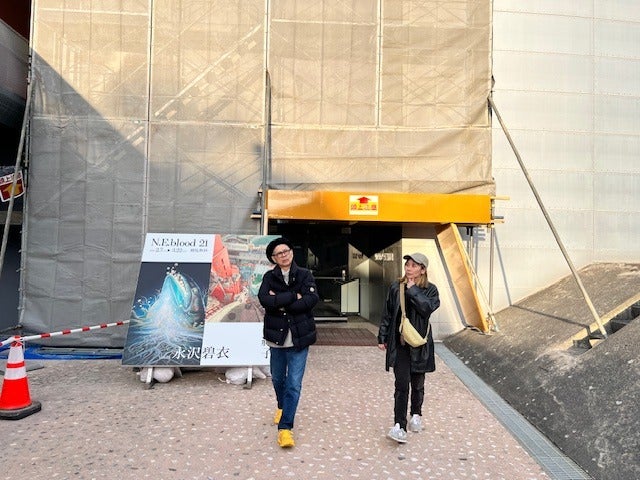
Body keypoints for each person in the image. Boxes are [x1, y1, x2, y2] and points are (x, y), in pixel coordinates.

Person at [258, 237, 319, 448]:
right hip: (277, 338)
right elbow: (264, 300)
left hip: (299, 338)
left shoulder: (305, 275)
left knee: (293, 383)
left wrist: (280, 302)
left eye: (286, 251)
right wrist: (293, 296)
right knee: (277, 379)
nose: (284, 255)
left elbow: (311, 300)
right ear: (273, 258)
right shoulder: (269, 277)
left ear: (292, 252)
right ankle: (282, 406)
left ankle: (285, 428)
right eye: (279, 253)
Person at [377, 252, 440, 443]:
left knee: (418, 384)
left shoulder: (430, 290)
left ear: (423, 270)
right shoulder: (396, 287)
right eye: (407, 265)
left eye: (414, 265)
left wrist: (413, 290)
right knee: (401, 385)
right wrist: (382, 336)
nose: (409, 268)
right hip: (401, 344)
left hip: (420, 345)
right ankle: (399, 425)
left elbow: (427, 308)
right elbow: (388, 313)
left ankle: (416, 414)